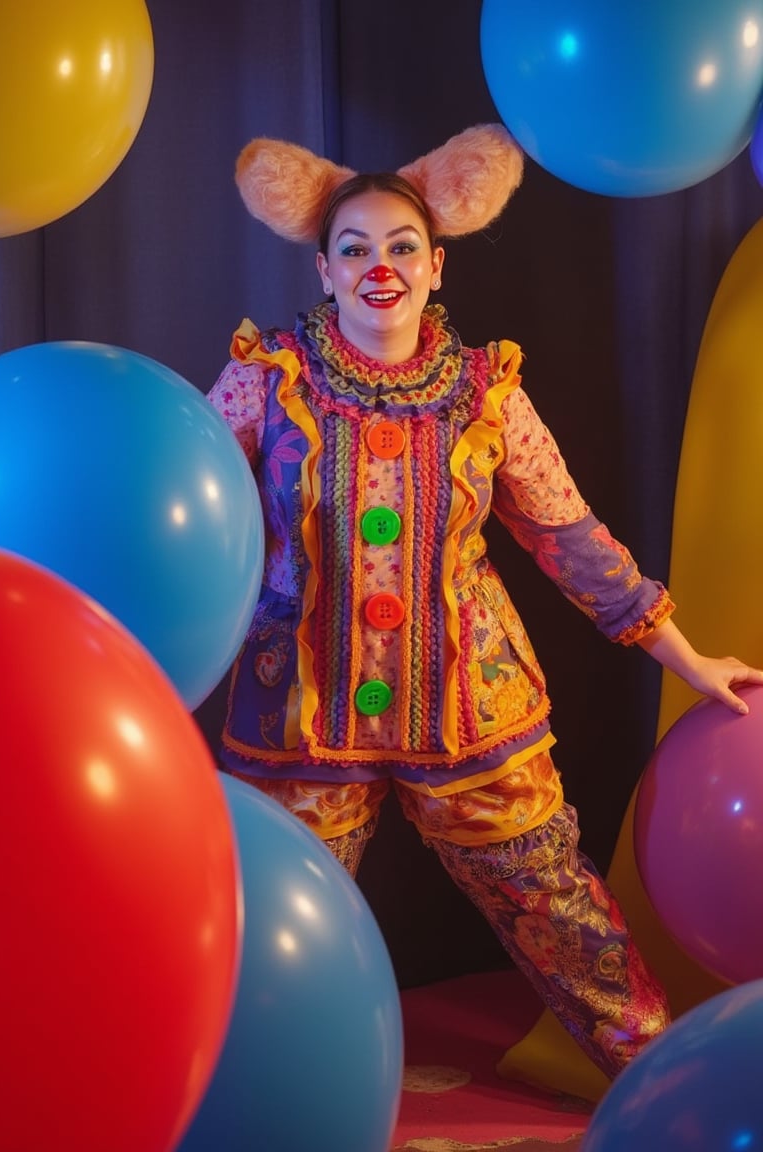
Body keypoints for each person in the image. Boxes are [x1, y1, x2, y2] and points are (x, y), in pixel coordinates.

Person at [207, 124, 763, 1080]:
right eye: (355, 248)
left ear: (438, 268)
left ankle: (669, 1088)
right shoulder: (267, 381)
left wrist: (687, 656)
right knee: (263, 933)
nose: (379, 266)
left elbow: (573, 541)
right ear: (325, 270)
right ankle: (239, 1097)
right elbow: (187, 515)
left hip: (471, 714)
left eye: (402, 247)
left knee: (558, 906)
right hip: (299, 718)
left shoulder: (486, 395)